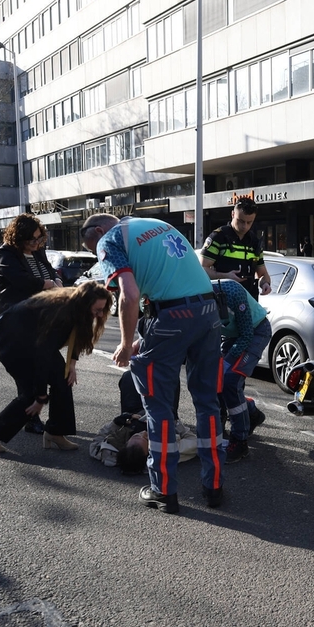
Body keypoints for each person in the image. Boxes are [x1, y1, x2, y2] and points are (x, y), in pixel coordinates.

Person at [81, 213, 225, 514]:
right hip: (209, 311)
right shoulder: (157, 225)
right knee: (208, 402)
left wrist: (124, 343)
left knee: (157, 407)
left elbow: (130, 294)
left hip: (173, 317)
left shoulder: (110, 240)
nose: (98, 255)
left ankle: (163, 491)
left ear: (97, 232)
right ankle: (214, 487)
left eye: (92, 248)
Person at [0, 281, 112, 454]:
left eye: (102, 310)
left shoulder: (76, 306)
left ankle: (55, 432)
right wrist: (40, 397)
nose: (99, 315)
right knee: (30, 395)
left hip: (34, 340)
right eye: (97, 310)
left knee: (63, 378)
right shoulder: (61, 313)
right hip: (9, 340)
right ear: (85, 304)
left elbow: (78, 333)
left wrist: (72, 365)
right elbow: (42, 357)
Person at [0, 214, 62, 435]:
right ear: (19, 237)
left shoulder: (38, 252)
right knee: (27, 375)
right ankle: (24, 420)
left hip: (42, 319)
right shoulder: (7, 253)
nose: (36, 243)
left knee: (53, 369)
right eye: (31, 239)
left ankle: (57, 422)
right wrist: (47, 284)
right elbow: (21, 280)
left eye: (39, 238)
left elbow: (49, 270)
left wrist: (57, 281)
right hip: (18, 322)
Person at [214, 279, 271, 463]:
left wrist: (228, 362)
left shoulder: (231, 290)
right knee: (217, 380)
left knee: (230, 381)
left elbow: (247, 335)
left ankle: (240, 441)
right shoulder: (192, 300)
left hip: (256, 331)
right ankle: (251, 413)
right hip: (232, 335)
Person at [199, 196, 272, 299]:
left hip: (249, 301)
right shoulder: (218, 237)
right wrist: (225, 277)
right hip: (223, 302)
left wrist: (265, 284)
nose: (244, 226)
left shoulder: (255, 242)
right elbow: (201, 270)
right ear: (232, 214)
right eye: (241, 221)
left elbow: (263, 274)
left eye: (249, 222)